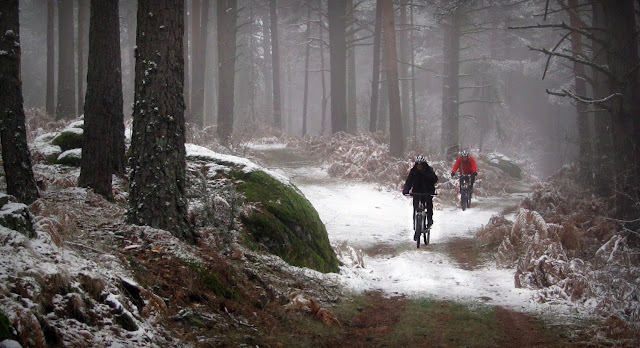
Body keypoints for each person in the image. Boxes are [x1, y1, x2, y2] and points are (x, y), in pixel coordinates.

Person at [403, 156, 438, 234]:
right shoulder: (413, 171)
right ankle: (416, 228)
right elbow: (409, 181)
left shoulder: (429, 170)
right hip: (416, 191)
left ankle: (429, 221)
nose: (419, 167)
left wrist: (427, 176)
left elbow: (435, 179)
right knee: (415, 208)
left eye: (420, 165)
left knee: (429, 206)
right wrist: (406, 190)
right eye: (418, 165)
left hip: (427, 191)